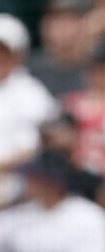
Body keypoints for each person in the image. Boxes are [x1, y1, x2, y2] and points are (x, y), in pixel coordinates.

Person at [0, 149, 105, 252]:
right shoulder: (20, 214)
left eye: (35, 178)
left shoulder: (90, 216)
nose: (28, 183)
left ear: (52, 182)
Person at [0, 13, 59, 209]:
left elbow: (33, 146)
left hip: (19, 186)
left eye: (4, 51)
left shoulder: (30, 92)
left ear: (18, 54)